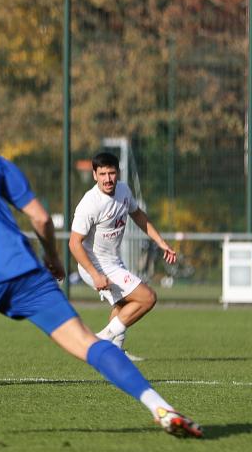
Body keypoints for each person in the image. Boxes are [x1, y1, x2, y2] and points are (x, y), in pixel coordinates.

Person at [0, 83, 201, 437]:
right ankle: (159, 405)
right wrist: (53, 259)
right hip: (24, 268)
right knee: (87, 342)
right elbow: (39, 218)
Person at [69, 152, 176, 362]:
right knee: (147, 298)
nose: (108, 179)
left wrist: (161, 243)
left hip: (113, 262)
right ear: (94, 175)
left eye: (111, 173)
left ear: (118, 173)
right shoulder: (90, 204)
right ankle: (101, 339)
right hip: (96, 265)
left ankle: (114, 353)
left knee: (122, 305)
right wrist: (95, 274)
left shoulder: (124, 190)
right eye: (103, 174)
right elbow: (74, 243)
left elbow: (138, 215)